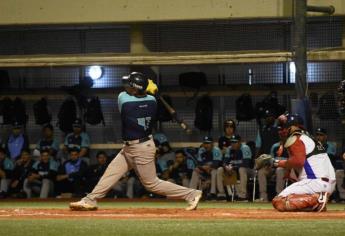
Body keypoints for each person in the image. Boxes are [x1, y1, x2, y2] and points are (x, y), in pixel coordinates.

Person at [70, 72, 202, 211]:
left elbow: (133, 92)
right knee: (111, 172)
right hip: (132, 147)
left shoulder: (124, 100)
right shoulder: (152, 101)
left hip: (141, 149)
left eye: (130, 84)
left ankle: (192, 194)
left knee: (152, 184)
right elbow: (146, 93)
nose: (126, 86)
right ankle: (91, 199)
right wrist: (152, 89)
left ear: (136, 88)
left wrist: (147, 86)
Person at [256, 113, 336, 212]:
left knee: (278, 202)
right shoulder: (309, 138)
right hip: (328, 183)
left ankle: (317, 200)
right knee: (291, 193)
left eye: (285, 126)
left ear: (295, 126)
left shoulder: (296, 138)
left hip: (315, 182)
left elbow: (298, 161)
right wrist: (288, 171)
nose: (282, 129)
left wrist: (274, 162)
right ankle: (316, 201)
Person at [217, 134, 252, 201]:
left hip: (248, 170)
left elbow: (246, 163)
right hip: (234, 170)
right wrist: (226, 167)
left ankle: (242, 195)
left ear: (239, 142)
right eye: (232, 142)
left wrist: (233, 167)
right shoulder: (229, 149)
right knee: (220, 169)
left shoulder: (245, 148)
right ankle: (222, 195)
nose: (233, 144)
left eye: (235, 142)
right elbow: (224, 161)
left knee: (241, 169)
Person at [257, 125, 288, 202]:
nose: (282, 137)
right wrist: (268, 165)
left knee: (279, 170)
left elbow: (291, 161)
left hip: (285, 170)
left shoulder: (290, 147)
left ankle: (279, 196)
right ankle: (263, 197)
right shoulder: (275, 146)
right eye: (281, 136)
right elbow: (271, 159)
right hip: (273, 168)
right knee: (261, 171)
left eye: (284, 136)